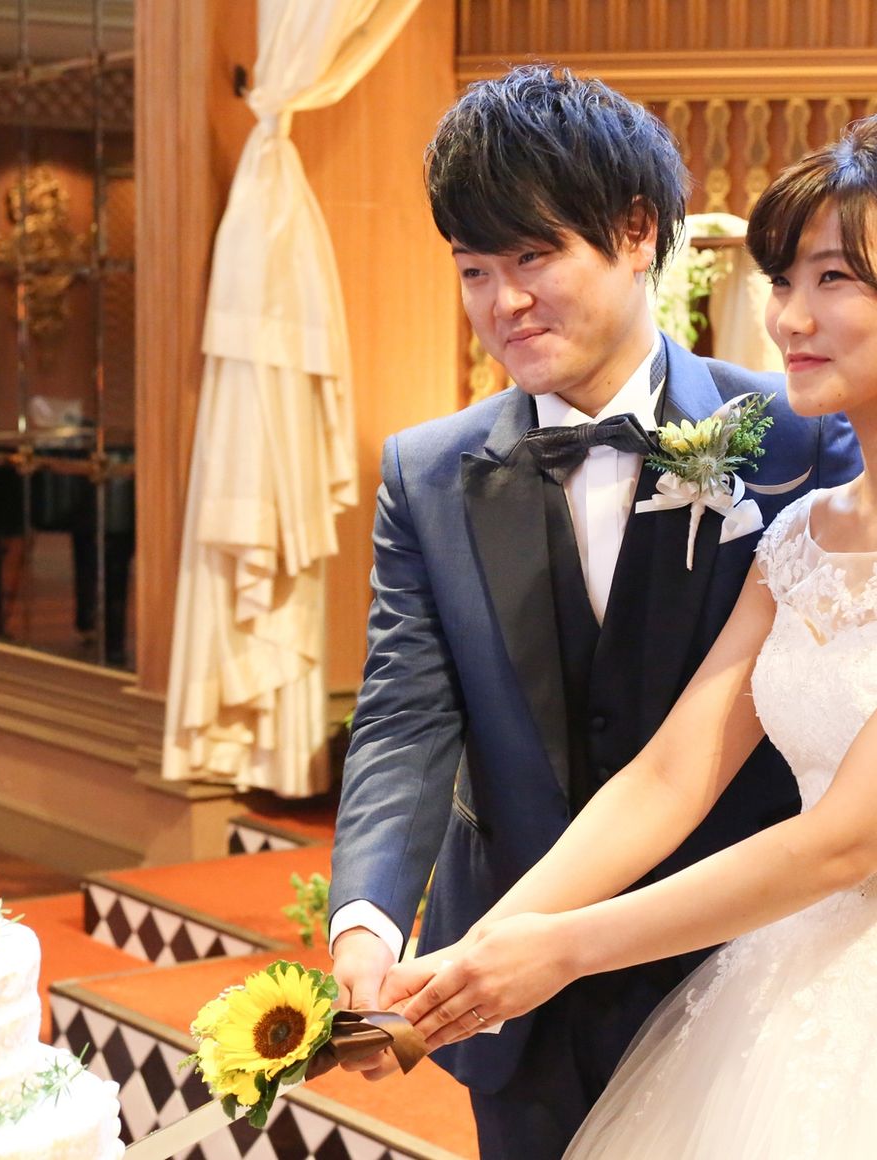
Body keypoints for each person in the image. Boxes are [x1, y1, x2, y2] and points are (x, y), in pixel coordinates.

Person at [326, 64, 861, 1159]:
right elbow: (416, 721)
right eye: (474, 270)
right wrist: (435, 946)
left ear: (635, 232)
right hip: (527, 1005)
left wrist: (548, 945)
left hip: (758, 973)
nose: (503, 302)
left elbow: (837, 836)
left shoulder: (801, 435)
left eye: (532, 257)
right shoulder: (427, 473)